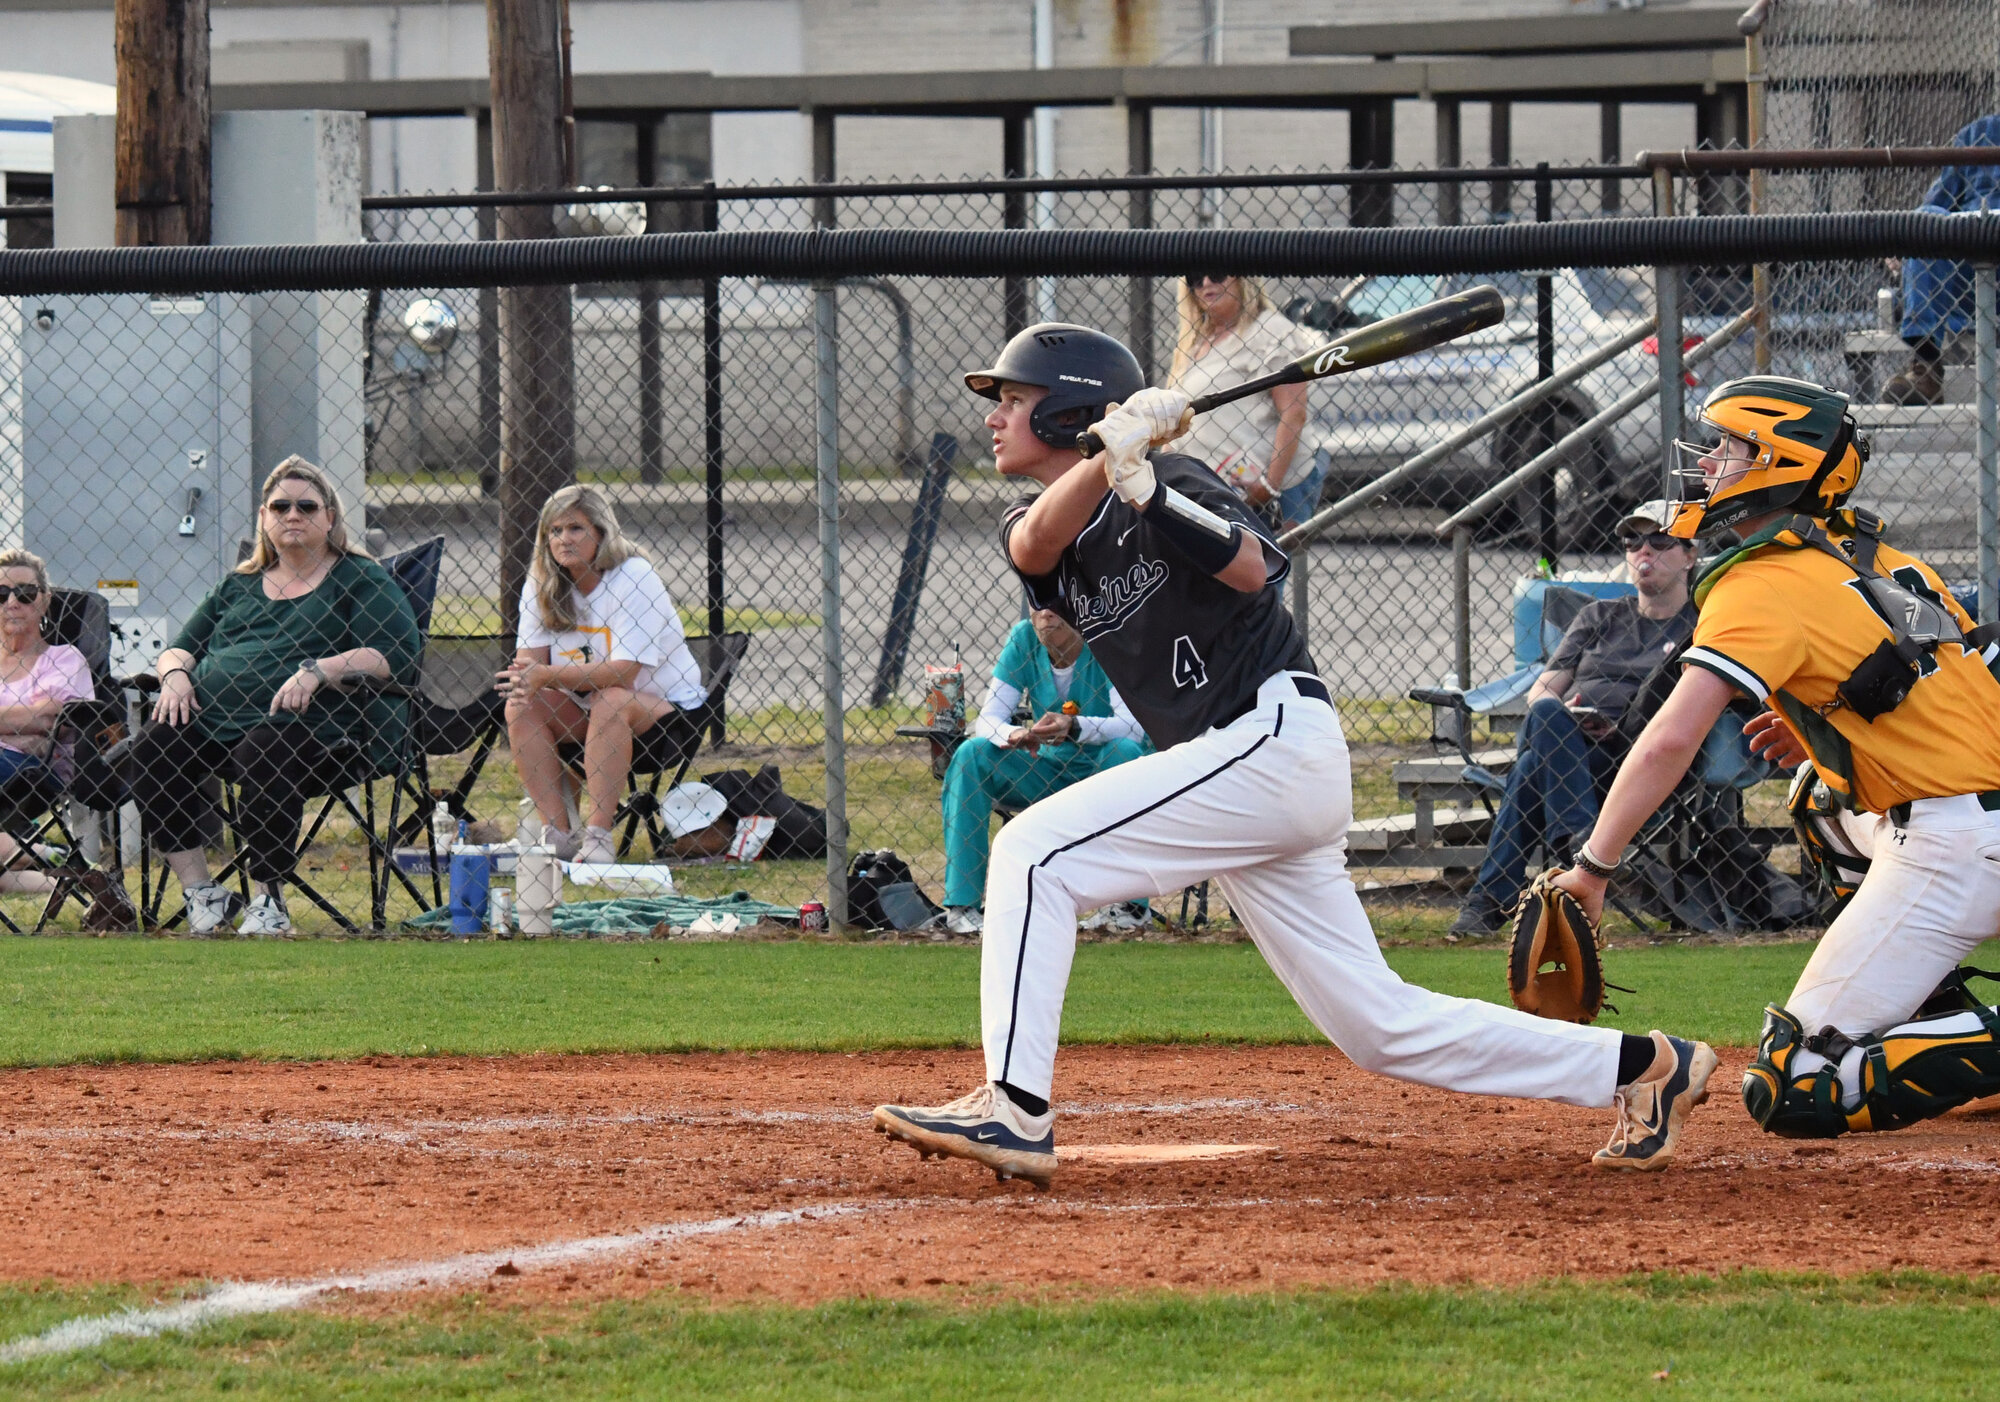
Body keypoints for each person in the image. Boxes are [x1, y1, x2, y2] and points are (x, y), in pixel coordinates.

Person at [872, 322, 1716, 1187]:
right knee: (1376, 1025)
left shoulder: (1174, 478)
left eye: (1015, 400)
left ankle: (1014, 1109)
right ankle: (1646, 1068)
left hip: (1270, 741)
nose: (995, 417)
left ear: (1068, 409)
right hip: (1234, 775)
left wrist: (1149, 486)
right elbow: (1033, 546)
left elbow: (1255, 565)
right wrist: (1106, 461)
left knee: (1032, 855)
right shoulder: (1047, 518)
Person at [1552, 375, 2000, 1140]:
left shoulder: (1760, 582)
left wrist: (1593, 868)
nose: (1708, 464)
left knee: (1794, 1085)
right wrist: (1836, 733)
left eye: (1727, 447)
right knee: (1814, 792)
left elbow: (1668, 739)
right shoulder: (1874, 552)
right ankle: (1943, 1012)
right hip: (1965, 820)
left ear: (1778, 461)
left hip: (1955, 846)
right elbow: (1969, 671)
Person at [135, 456, 421, 936]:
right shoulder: (237, 585)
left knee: (263, 748)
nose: (293, 515)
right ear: (264, 518)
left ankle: (268, 901)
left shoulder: (359, 578)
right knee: (152, 747)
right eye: (280, 506)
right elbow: (179, 649)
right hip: (214, 726)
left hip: (316, 735)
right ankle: (202, 894)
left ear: (330, 518)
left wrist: (320, 670)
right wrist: (174, 677)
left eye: (307, 506)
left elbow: (394, 655)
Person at [1450, 504, 1698, 935]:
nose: (1645, 552)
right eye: (1633, 542)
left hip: (1637, 759)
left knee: (1531, 768)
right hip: (1573, 744)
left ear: (1690, 556)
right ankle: (1579, 837)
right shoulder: (1599, 616)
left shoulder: (1699, 627)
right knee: (1547, 711)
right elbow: (1544, 687)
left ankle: (1488, 902)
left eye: (1660, 541)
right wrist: (1569, 713)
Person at [502, 485, 707, 865]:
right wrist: (530, 680)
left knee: (611, 699)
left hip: (666, 717)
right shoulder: (541, 582)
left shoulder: (633, 577)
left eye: (575, 528)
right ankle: (559, 836)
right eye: (554, 531)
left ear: (601, 532)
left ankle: (598, 840)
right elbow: (528, 667)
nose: (564, 539)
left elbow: (624, 674)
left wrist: (545, 674)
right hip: (588, 710)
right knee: (521, 705)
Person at [934, 608, 1148, 936]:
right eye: (1037, 603)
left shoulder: (1105, 632)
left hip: (1100, 771)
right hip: (1044, 770)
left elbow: (1132, 728)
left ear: (1077, 603)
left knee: (1128, 753)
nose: (1045, 611)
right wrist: (1013, 735)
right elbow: (988, 718)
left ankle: (1129, 908)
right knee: (970, 755)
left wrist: (1075, 727)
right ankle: (963, 909)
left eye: (1054, 600)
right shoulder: (1024, 638)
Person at [0, 548, 128, 921]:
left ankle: (44, 853)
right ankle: (58, 863)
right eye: (1, 594)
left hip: (33, 773)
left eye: (25, 593)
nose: (12, 603)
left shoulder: (64, 658)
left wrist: (35, 718)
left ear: (45, 600)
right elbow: (32, 717)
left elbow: (49, 723)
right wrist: (22, 718)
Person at [1167, 274, 1325, 529]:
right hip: (1207, 494)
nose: (1206, 282)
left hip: (1257, 493)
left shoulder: (1270, 330)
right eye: (1195, 277)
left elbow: (1293, 413)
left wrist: (1269, 486)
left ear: (1243, 279)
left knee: (1261, 565)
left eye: (1217, 272)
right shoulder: (1195, 341)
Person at [1884, 114, 2000, 406]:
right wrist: (1904, 239)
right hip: (1973, 268)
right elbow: (1938, 203)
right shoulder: (1979, 134)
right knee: (1926, 220)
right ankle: (1927, 367)